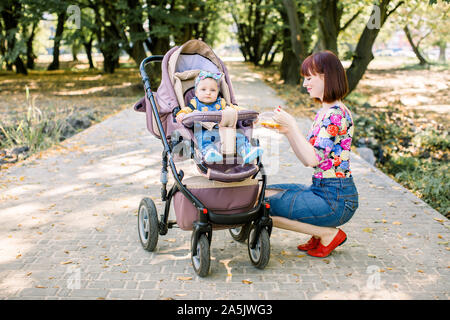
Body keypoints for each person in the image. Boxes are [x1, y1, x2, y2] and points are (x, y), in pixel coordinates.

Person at [262, 50, 359, 258]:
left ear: (327, 77)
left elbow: (311, 159)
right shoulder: (327, 111)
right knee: (263, 193)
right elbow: (309, 158)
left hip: (335, 199)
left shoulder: (334, 115)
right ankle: (319, 234)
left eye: (309, 78)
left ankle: (326, 233)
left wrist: (293, 126)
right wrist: (287, 131)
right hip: (325, 190)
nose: (305, 84)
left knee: (263, 207)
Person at [176, 70, 263, 164]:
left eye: (212, 90)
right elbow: (187, 110)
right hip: (204, 130)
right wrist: (181, 114)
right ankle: (210, 152)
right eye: (203, 89)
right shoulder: (195, 103)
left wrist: (248, 114)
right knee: (203, 138)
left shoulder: (221, 103)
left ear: (217, 92)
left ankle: (246, 151)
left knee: (239, 135)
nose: (208, 93)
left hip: (223, 129)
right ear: (196, 93)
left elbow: (234, 108)